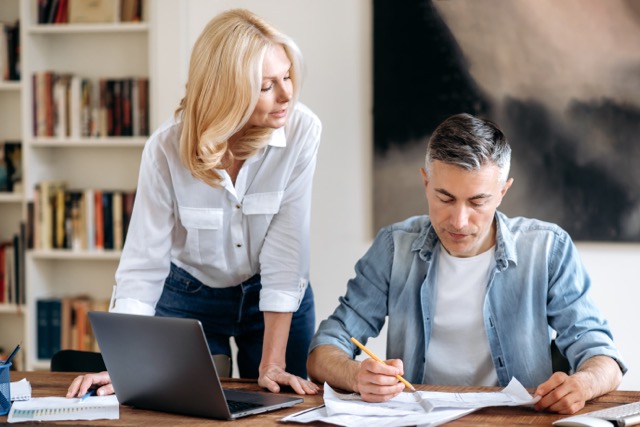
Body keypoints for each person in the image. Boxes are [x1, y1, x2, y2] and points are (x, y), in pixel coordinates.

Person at [67, 8, 321, 398]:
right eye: (268, 85)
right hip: (188, 299)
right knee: (189, 410)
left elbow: (287, 251)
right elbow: (143, 265)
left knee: (283, 405)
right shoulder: (165, 149)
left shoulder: (302, 130)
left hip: (275, 299)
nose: (288, 94)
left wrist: (272, 362)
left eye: (287, 76)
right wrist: (122, 365)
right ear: (228, 89)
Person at [307, 113, 626, 414]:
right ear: (425, 183)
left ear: (503, 191)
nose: (458, 221)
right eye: (445, 198)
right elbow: (324, 349)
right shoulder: (394, 247)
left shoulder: (548, 248)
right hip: (417, 419)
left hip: (514, 421)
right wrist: (355, 375)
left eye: (477, 201)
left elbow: (602, 355)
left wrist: (582, 384)